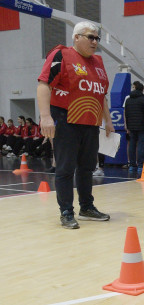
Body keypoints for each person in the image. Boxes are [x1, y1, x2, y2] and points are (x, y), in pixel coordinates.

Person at [37, 21, 114, 229]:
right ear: (76, 37)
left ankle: (87, 208)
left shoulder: (98, 62)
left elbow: (101, 95)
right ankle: (66, 212)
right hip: (65, 118)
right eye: (91, 37)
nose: (95, 42)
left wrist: (108, 120)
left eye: (97, 38)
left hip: (90, 121)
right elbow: (44, 84)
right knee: (65, 168)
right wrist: (45, 117)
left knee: (87, 167)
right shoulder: (61, 55)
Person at [124, 81, 144, 173]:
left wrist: (127, 126)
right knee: (140, 146)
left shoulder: (128, 100)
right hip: (142, 126)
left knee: (132, 145)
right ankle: (140, 166)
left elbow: (126, 114)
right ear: (142, 89)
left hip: (131, 126)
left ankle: (132, 165)